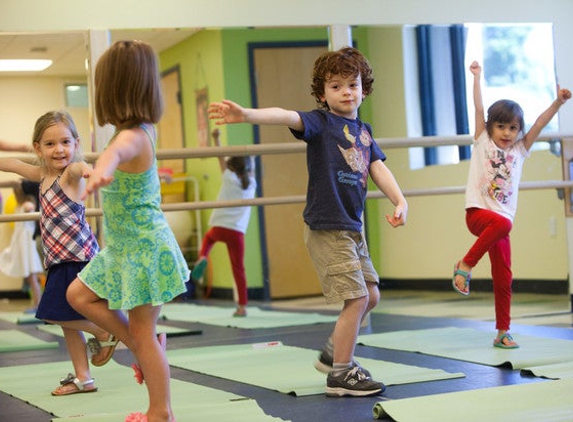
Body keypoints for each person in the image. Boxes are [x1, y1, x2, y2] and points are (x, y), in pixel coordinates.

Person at [208, 46, 408, 397]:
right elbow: (286, 116)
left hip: (352, 227)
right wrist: (247, 115)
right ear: (322, 94)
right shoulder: (321, 123)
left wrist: (400, 199)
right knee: (357, 299)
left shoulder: (363, 130)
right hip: (327, 227)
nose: (346, 92)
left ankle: (334, 352)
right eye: (336, 86)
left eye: (352, 84)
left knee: (371, 295)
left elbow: (377, 166)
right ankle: (341, 374)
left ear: (364, 88)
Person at [66, 40, 189, 422]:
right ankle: (141, 344)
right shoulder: (139, 131)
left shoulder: (130, 137)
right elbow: (112, 158)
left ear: (112, 90)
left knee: (142, 334)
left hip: (143, 248)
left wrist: (101, 171)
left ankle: (159, 412)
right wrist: (94, 170)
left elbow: (115, 156)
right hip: (125, 246)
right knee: (78, 295)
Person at [453, 61, 571, 349]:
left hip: (500, 224)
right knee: (505, 223)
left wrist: (558, 101)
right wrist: (477, 78)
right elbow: (478, 108)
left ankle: (503, 331)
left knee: (504, 275)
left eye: (513, 128)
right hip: (479, 215)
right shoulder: (482, 141)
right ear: (490, 127)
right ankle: (465, 264)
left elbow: (541, 124)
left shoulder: (520, 150)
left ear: (520, 131)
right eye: (501, 126)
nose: (507, 133)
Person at [0, 110, 118, 395]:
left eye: (65, 142)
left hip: (76, 258)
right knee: (67, 324)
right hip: (57, 259)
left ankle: (102, 330)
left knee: (52, 313)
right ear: (38, 148)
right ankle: (83, 378)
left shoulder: (71, 173)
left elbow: (79, 169)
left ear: (76, 143)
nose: (59, 149)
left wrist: (89, 171)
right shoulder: (42, 175)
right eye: (50, 144)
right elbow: (13, 164)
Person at [191, 128, 257, 317]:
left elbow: (219, 155)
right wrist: (250, 155)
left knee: (208, 239)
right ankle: (242, 306)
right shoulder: (251, 183)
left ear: (232, 168)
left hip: (219, 227)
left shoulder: (228, 178)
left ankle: (203, 256)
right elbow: (249, 166)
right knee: (238, 268)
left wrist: (216, 137)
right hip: (236, 232)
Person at [0, 183, 43, 313]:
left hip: (26, 244)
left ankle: (38, 304)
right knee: (30, 276)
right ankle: (37, 302)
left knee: (32, 276)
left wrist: (30, 208)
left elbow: (32, 208)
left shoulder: (27, 205)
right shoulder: (19, 206)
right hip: (20, 243)